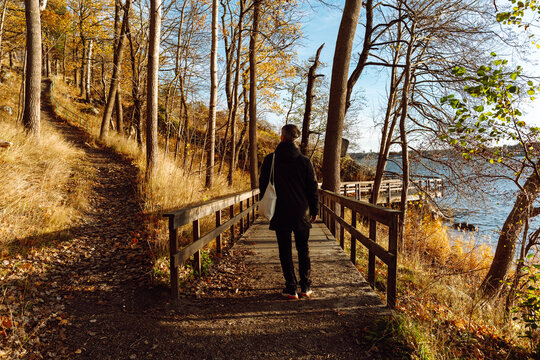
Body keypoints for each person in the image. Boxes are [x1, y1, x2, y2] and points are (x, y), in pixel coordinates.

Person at [259, 124, 319, 299]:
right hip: (302, 212)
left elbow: (263, 185)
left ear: (282, 137)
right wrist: (314, 210)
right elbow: (312, 189)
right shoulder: (305, 161)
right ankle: (305, 286)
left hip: (279, 211)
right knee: (303, 249)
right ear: (296, 140)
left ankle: (291, 288)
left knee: (284, 250)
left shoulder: (271, 160)